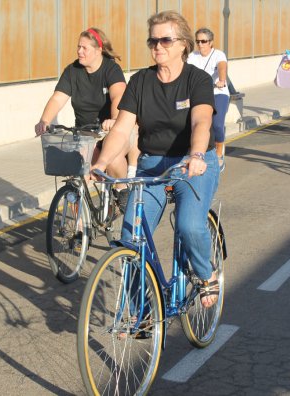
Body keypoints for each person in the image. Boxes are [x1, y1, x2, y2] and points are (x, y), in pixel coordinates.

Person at [92, 10, 220, 308]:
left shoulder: (197, 80)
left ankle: (205, 274)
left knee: (189, 226)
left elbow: (202, 121)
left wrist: (198, 154)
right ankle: (142, 311)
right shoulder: (140, 81)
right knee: (131, 236)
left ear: (183, 45)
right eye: (153, 40)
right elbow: (123, 128)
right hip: (152, 165)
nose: (157, 46)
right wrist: (100, 163)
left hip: (192, 163)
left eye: (165, 39)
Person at [34, 27, 133, 205]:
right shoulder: (72, 71)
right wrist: (45, 120)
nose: (79, 51)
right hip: (84, 133)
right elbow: (58, 98)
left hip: (109, 131)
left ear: (98, 50)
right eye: (78, 47)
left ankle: (121, 190)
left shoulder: (111, 69)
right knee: (76, 177)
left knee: (113, 159)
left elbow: (118, 95)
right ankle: (79, 229)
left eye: (84, 48)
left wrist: (114, 119)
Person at [187, 28, 230, 171]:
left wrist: (222, 80)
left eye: (204, 41)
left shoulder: (218, 54)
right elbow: (187, 71)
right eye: (198, 41)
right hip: (199, 94)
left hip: (218, 92)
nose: (200, 44)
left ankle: (219, 153)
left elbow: (222, 66)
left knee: (217, 125)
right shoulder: (193, 56)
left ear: (211, 42)